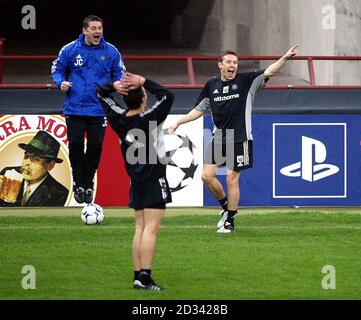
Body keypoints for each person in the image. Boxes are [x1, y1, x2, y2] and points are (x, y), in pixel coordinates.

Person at [168, 45, 299, 233]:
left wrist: (285, 57)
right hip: (220, 137)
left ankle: (230, 219)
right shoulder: (211, 85)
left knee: (232, 178)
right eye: (228, 62)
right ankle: (224, 206)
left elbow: (270, 70)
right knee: (206, 176)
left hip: (241, 137)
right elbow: (199, 109)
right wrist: (179, 122)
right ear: (220, 64)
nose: (232, 65)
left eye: (235, 62)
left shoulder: (248, 81)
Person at [97, 72, 174, 291]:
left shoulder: (119, 119)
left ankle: (138, 276)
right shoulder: (151, 118)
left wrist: (114, 86)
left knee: (140, 228)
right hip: (154, 177)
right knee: (151, 229)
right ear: (143, 98)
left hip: (136, 179)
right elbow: (168, 96)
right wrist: (145, 81)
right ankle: (146, 276)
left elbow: (101, 94)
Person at [51, 15, 126, 204]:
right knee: (75, 145)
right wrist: (61, 83)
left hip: (99, 109)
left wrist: (117, 83)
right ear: (85, 30)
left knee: (95, 147)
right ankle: (79, 182)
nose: (98, 32)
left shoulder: (111, 51)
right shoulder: (70, 49)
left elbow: (119, 72)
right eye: (93, 28)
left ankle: (88, 183)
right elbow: (57, 68)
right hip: (74, 108)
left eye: (100, 28)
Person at [0, 131, 69, 207]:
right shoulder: (8, 174)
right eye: (26, 156)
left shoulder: (59, 194)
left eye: (36, 159)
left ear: (50, 165)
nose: (27, 163)